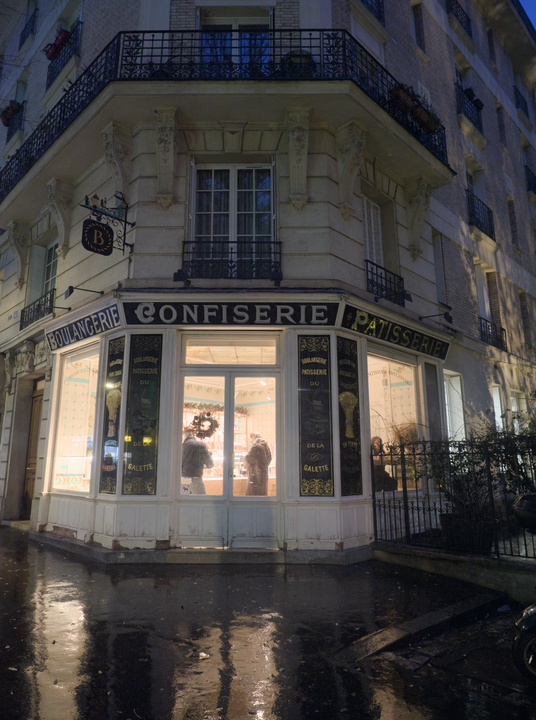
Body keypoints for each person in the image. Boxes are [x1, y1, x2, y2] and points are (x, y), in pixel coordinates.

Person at [181, 429, 214, 494]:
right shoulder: (201, 445)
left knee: (185, 501)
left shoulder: (181, 446)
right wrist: (206, 465)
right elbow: (210, 463)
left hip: (184, 478)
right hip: (195, 478)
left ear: (184, 436)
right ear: (193, 435)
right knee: (200, 502)